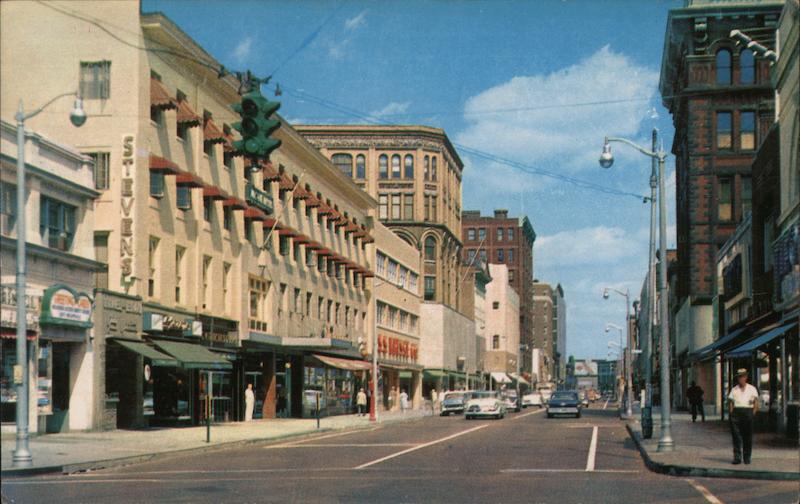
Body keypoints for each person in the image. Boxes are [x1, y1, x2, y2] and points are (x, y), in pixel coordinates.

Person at [727, 368, 759, 465]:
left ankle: (747, 457)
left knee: (747, 436)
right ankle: (737, 457)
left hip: (747, 412)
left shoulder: (752, 389)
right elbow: (731, 403)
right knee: (736, 436)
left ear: (746, 377)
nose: (740, 379)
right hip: (736, 413)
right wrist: (731, 414)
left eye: (742, 377)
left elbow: (756, 403)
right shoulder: (734, 389)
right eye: (739, 377)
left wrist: (752, 413)